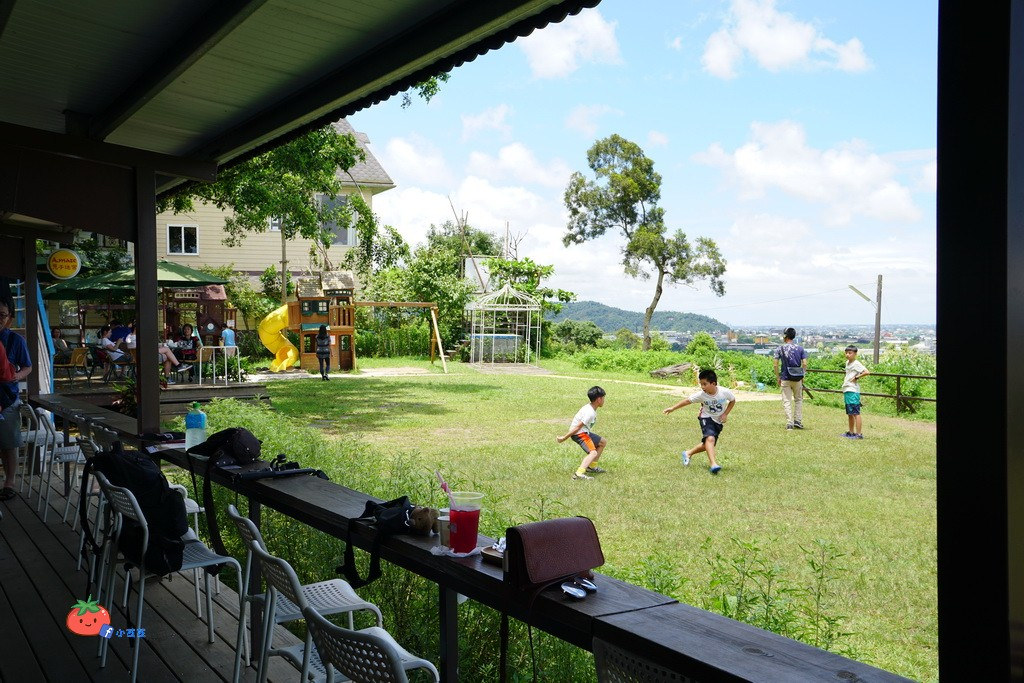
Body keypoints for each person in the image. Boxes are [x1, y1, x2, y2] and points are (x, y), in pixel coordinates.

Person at [663, 369, 735, 475]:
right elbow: (687, 401)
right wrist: (673, 408)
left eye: (705, 384)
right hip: (706, 417)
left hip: (718, 421)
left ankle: (688, 453)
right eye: (701, 384)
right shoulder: (701, 395)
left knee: (708, 444)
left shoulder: (724, 392)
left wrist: (725, 414)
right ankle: (713, 464)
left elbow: (732, 401)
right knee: (710, 439)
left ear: (713, 383)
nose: (702, 387)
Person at [0, 296, 32, 501]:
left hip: (7, 398)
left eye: (2, 315)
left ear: (9, 317)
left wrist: (16, 376)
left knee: (8, 443)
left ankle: (9, 483)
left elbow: (28, 366)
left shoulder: (15, 340)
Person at [556, 386, 608, 481]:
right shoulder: (590, 413)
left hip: (584, 432)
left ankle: (591, 467)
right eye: (603, 398)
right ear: (599, 399)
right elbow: (577, 427)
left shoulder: (590, 407)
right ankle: (578, 474)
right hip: (579, 434)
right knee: (593, 453)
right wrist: (564, 438)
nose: (604, 400)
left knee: (602, 442)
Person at [773, 327, 808, 430]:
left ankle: (789, 423)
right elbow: (804, 363)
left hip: (785, 377)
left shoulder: (780, 349)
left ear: (785, 336)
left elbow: (775, 364)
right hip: (797, 378)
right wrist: (803, 374)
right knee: (798, 399)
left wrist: (778, 377)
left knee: (787, 400)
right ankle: (798, 421)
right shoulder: (800, 348)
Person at [841, 345, 870, 439]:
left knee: (855, 413)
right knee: (850, 413)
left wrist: (856, 377)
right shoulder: (847, 363)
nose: (847, 355)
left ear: (855, 354)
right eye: (846, 353)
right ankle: (851, 432)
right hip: (847, 389)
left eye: (850, 353)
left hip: (853, 390)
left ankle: (859, 434)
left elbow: (867, 372)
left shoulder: (856, 363)